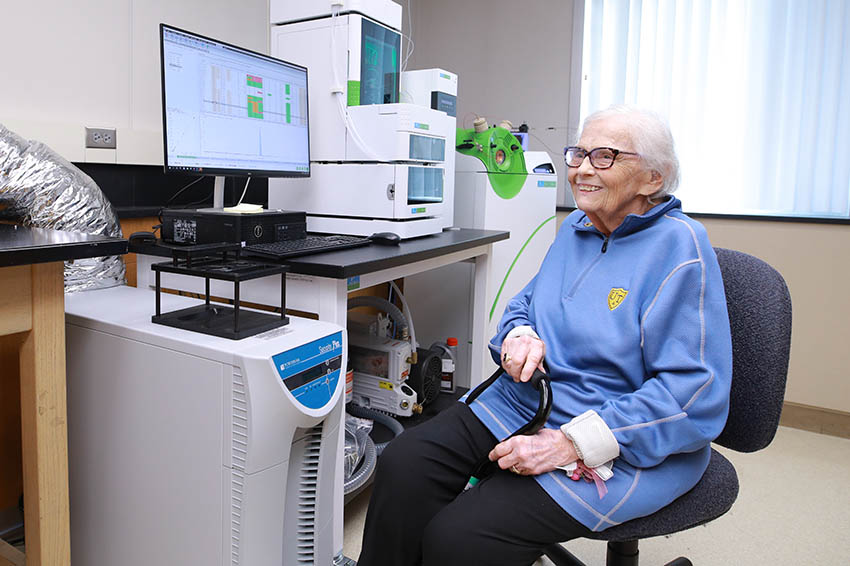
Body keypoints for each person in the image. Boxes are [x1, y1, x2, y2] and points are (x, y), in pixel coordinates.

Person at [356, 105, 732, 566]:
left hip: (617, 437)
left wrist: (571, 444)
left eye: (606, 156)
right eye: (579, 154)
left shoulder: (682, 249)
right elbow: (522, 306)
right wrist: (520, 334)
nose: (582, 170)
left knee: (461, 538)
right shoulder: (576, 228)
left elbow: (693, 397)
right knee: (404, 464)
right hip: (525, 401)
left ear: (654, 178)